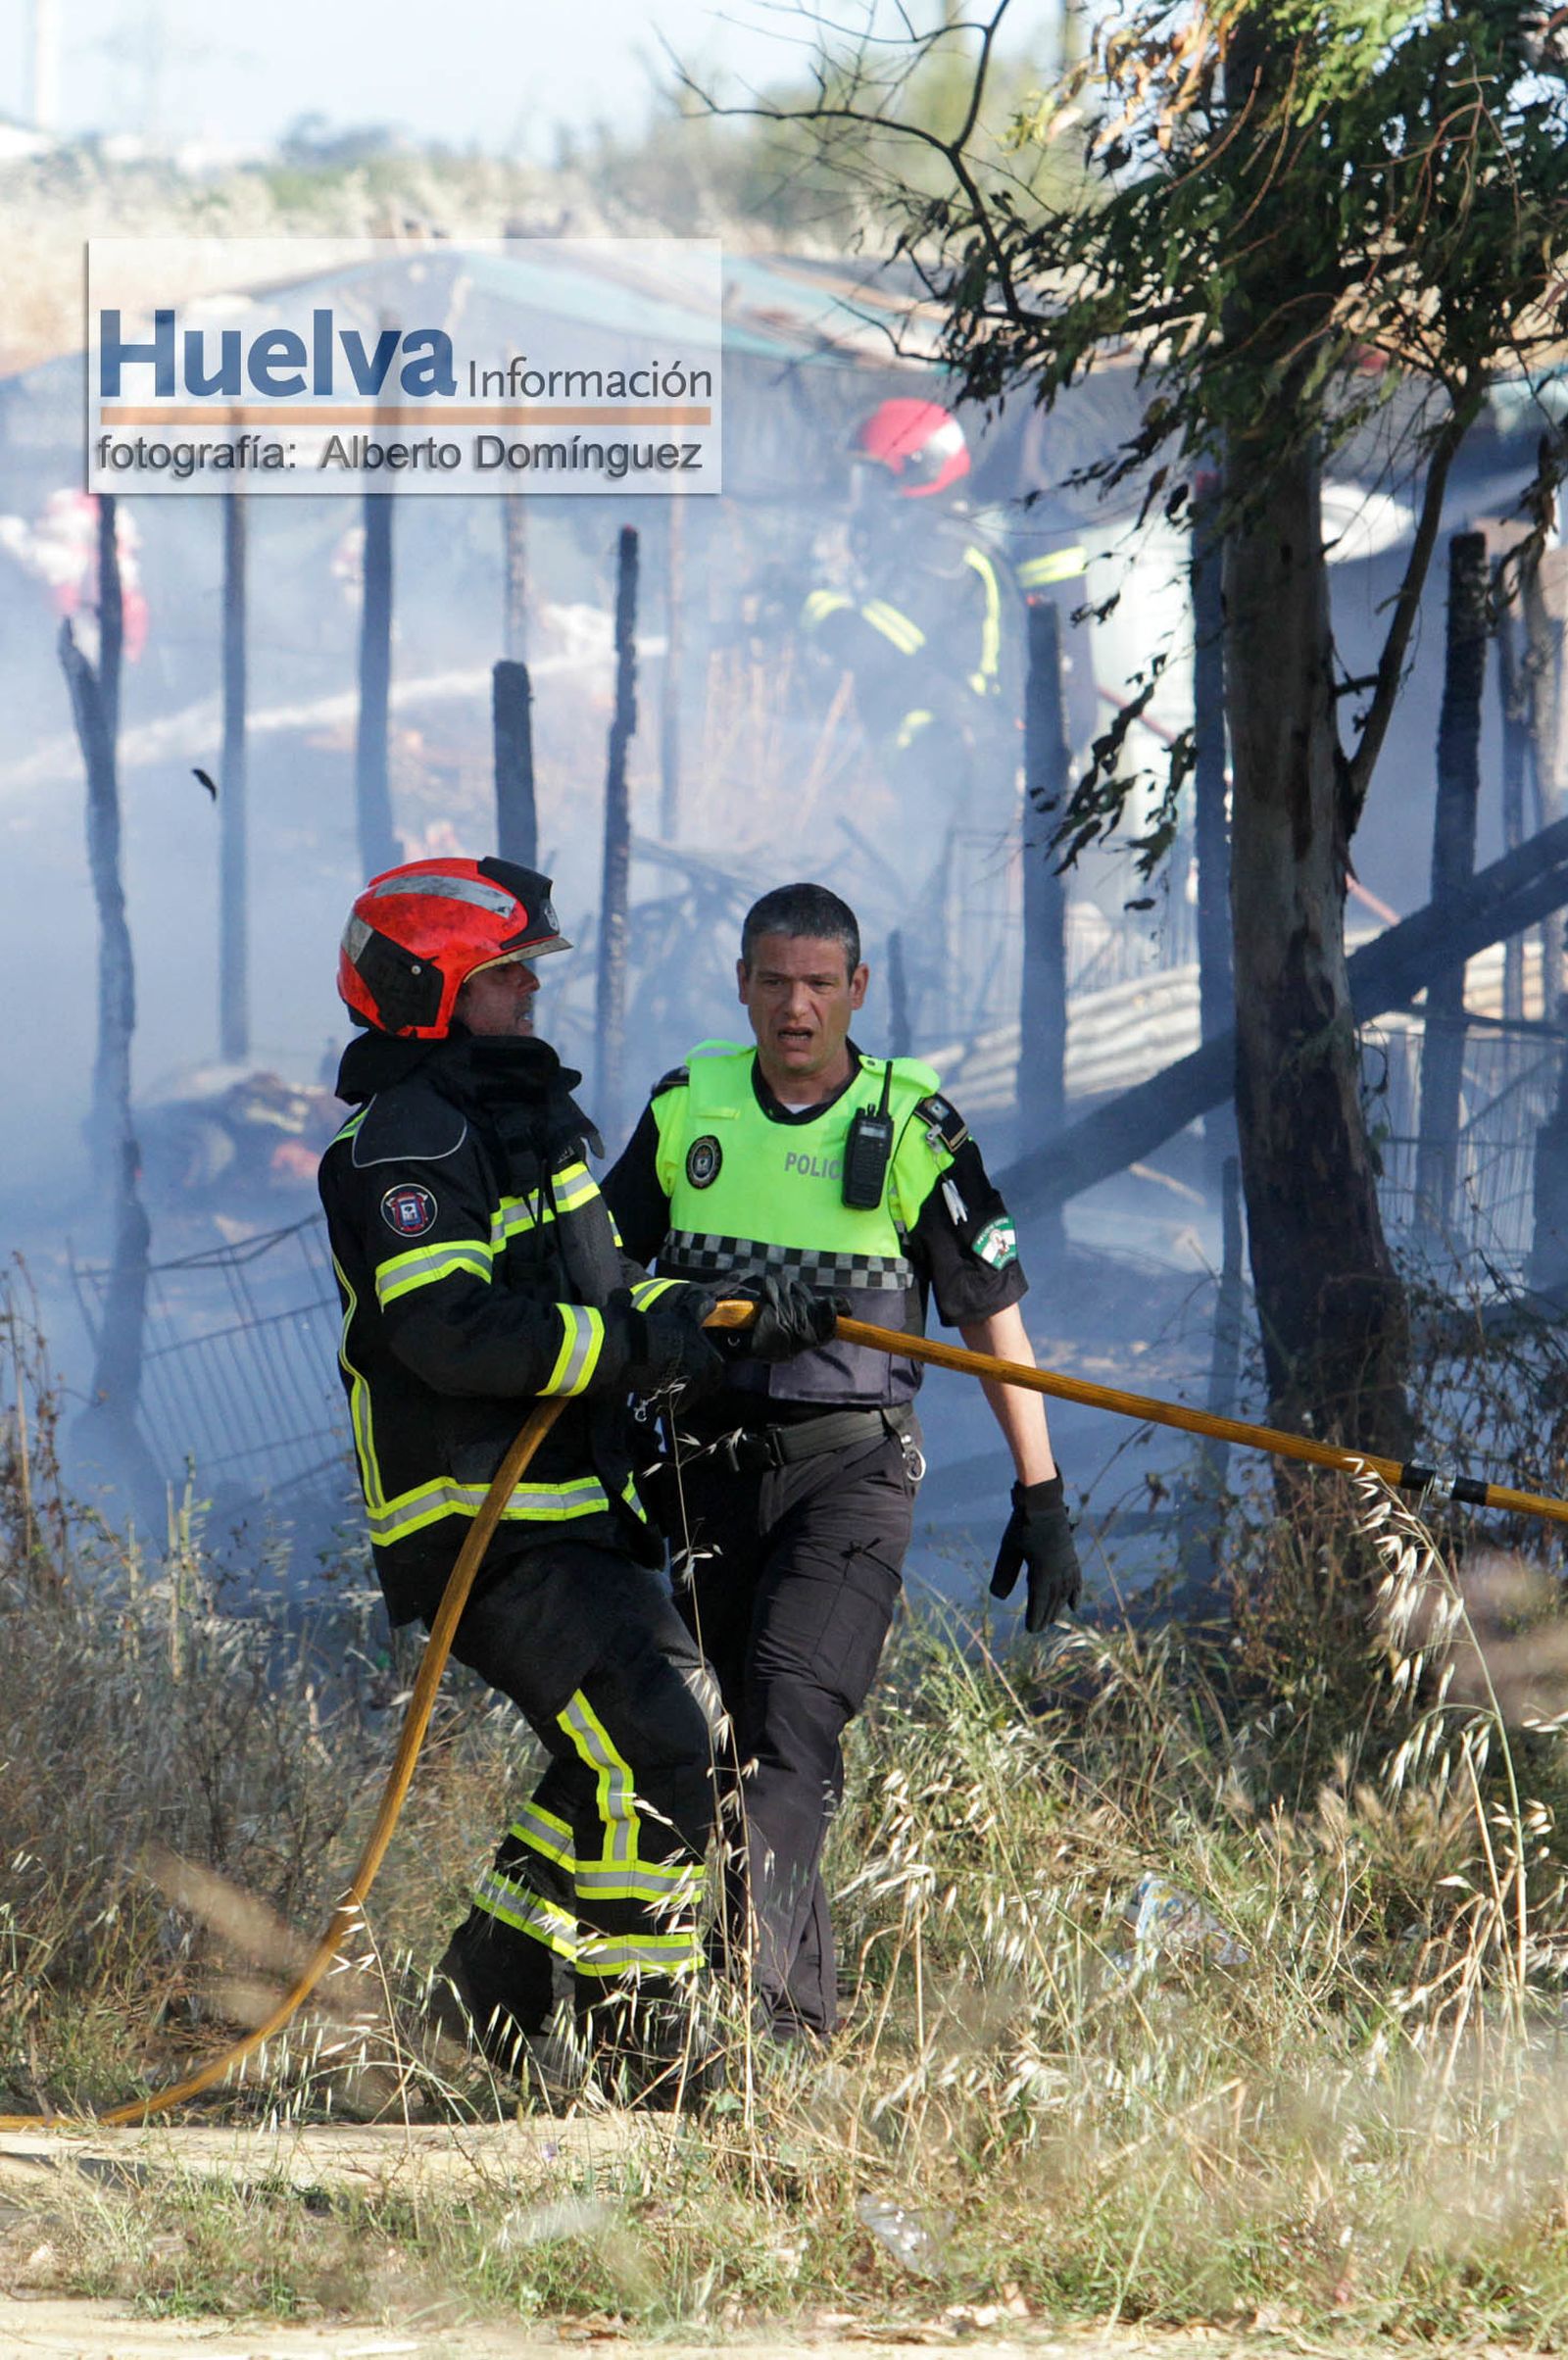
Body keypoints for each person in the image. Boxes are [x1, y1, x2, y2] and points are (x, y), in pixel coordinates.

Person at [602, 880, 1081, 2045]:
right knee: (720, 1742)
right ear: (742, 986)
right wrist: (704, 1310)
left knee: (788, 1725)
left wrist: (1042, 1492)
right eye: (776, 981)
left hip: (849, 1475)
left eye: (821, 983)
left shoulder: (914, 1125)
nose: (797, 1006)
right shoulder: (687, 1106)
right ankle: (792, 2038)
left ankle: (757, 2026)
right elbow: (604, 1277)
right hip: (703, 1473)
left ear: (857, 990)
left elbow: (991, 1316)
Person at [318, 854, 733, 2101]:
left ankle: (481, 1993)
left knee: (614, 1752)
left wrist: (715, 1317)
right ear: (428, 990)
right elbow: (447, 1326)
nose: (526, 997)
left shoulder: (517, 1116)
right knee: (669, 1744)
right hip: (481, 1521)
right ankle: (638, 2032)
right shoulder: (405, 1137)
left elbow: (587, 1300)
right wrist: (630, 1345)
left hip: (571, 1508)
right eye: (503, 976)